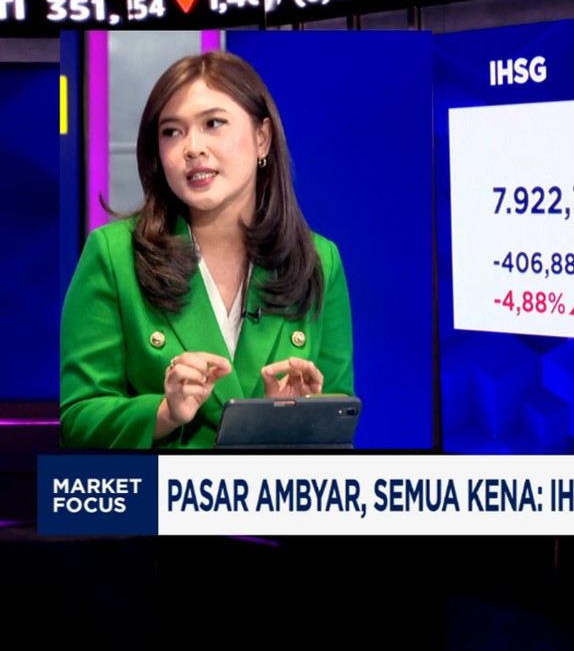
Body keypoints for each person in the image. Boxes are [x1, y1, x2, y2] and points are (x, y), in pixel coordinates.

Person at [60, 50, 354, 449]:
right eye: (172, 132)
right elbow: (77, 420)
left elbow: (339, 420)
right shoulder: (113, 255)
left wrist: (291, 416)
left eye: (213, 123)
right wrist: (164, 413)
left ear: (262, 138)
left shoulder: (317, 260)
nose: (192, 148)